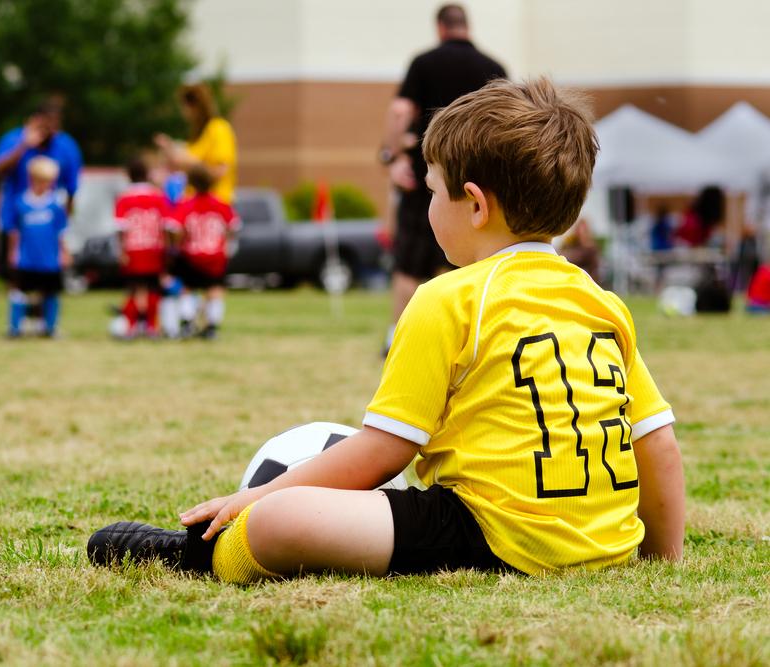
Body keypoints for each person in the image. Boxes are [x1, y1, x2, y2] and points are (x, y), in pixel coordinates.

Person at [87, 78, 685, 583]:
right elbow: (656, 443)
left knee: (282, 519)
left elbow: (381, 451)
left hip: (491, 533)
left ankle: (201, 556)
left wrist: (254, 500)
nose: (426, 208)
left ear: (474, 205)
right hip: (601, 546)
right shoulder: (601, 301)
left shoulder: (448, 297)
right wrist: (661, 562)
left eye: (430, 191)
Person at [380, 4, 506, 355]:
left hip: (427, 180)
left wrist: (391, 156)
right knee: (456, 267)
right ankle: (456, 343)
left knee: (408, 265)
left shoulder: (424, 63)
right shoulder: (493, 69)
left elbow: (399, 111)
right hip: (474, 185)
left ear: (440, 29)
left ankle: (398, 339)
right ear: (467, 27)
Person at [0, 101, 81, 268]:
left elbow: (72, 188)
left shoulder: (66, 146)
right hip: (15, 219)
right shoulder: (15, 139)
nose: (51, 130)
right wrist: (24, 145)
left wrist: (63, 223)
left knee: (47, 269)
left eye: (56, 125)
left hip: (48, 220)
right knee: (15, 268)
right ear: (36, 120)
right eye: (47, 124)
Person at [168, 165, 240, 339]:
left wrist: (180, 242)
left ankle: (187, 323)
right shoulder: (220, 204)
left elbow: (173, 228)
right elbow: (235, 226)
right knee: (214, 290)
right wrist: (226, 242)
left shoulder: (186, 204)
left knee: (187, 288)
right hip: (216, 255)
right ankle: (211, 327)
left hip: (192, 255)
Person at [3, 156, 68, 338]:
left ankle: (50, 327)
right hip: (26, 258)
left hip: (48, 259)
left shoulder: (55, 204)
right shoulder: (21, 203)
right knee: (19, 292)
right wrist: (12, 253)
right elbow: (14, 232)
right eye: (43, 181)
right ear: (33, 179)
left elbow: (61, 232)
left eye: (49, 182)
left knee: (50, 293)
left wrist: (64, 253)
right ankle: (15, 328)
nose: (46, 185)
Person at [113, 156, 172, 337]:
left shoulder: (124, 198)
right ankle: (150, 326)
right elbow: (167, 227)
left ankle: (130, 326)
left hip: (133, 249)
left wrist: (121, 251)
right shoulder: (158, 196)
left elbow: (120, 229)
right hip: (154, 249)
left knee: (133, 288)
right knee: (153, 288)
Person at [155, 83, 237, 205]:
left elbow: (221, 170)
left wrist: (190, 162)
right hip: (194, 205)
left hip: (215, 206)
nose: (184, 113)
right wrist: (170, 150)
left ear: (195, 107)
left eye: (185, 107)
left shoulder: (218, 128)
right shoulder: (197, 136)